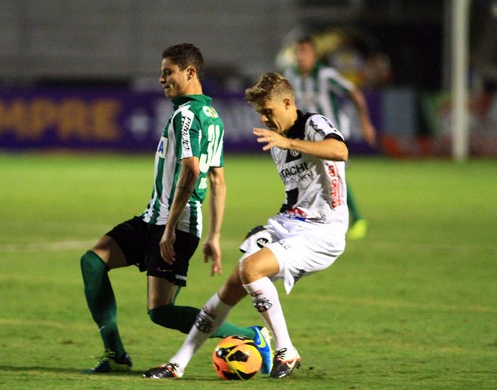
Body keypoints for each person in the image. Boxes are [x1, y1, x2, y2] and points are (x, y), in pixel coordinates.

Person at [79, 43, 272, 374]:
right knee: (93, 261)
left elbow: (192, 170)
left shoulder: (186, 116)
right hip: (155, 217)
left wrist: (169, 229)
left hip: (174, 223)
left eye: (168, 72)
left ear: (190, 72)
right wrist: (213, 236)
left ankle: (251, 335)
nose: (161, 79)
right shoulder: (212, 117)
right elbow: (219, 182)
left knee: (162, 311)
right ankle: (115, 354)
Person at [143, 72, 348, 380]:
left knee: (251, 270)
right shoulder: (276, 143)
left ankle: (286, 350)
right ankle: (177, 365)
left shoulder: (312, 124)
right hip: (289, 223)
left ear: (288, 103)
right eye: (260, 113)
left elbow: (340, 151)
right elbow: (297, 193)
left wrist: (288, 141)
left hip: (323, 231)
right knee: (234, 284)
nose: (265, 118)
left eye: (269, 111)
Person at [284, 35, 375, 240]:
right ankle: (319, 217)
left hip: (331, 133)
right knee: (312, 176)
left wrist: (366, 123)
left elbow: (354, 93)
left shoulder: (326, 76)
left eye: (305, 51)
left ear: (314, 55)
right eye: (298, 52)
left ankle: (356, 218)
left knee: (331, 172)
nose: (300, 56)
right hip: (309, 135)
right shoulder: (290, 75)